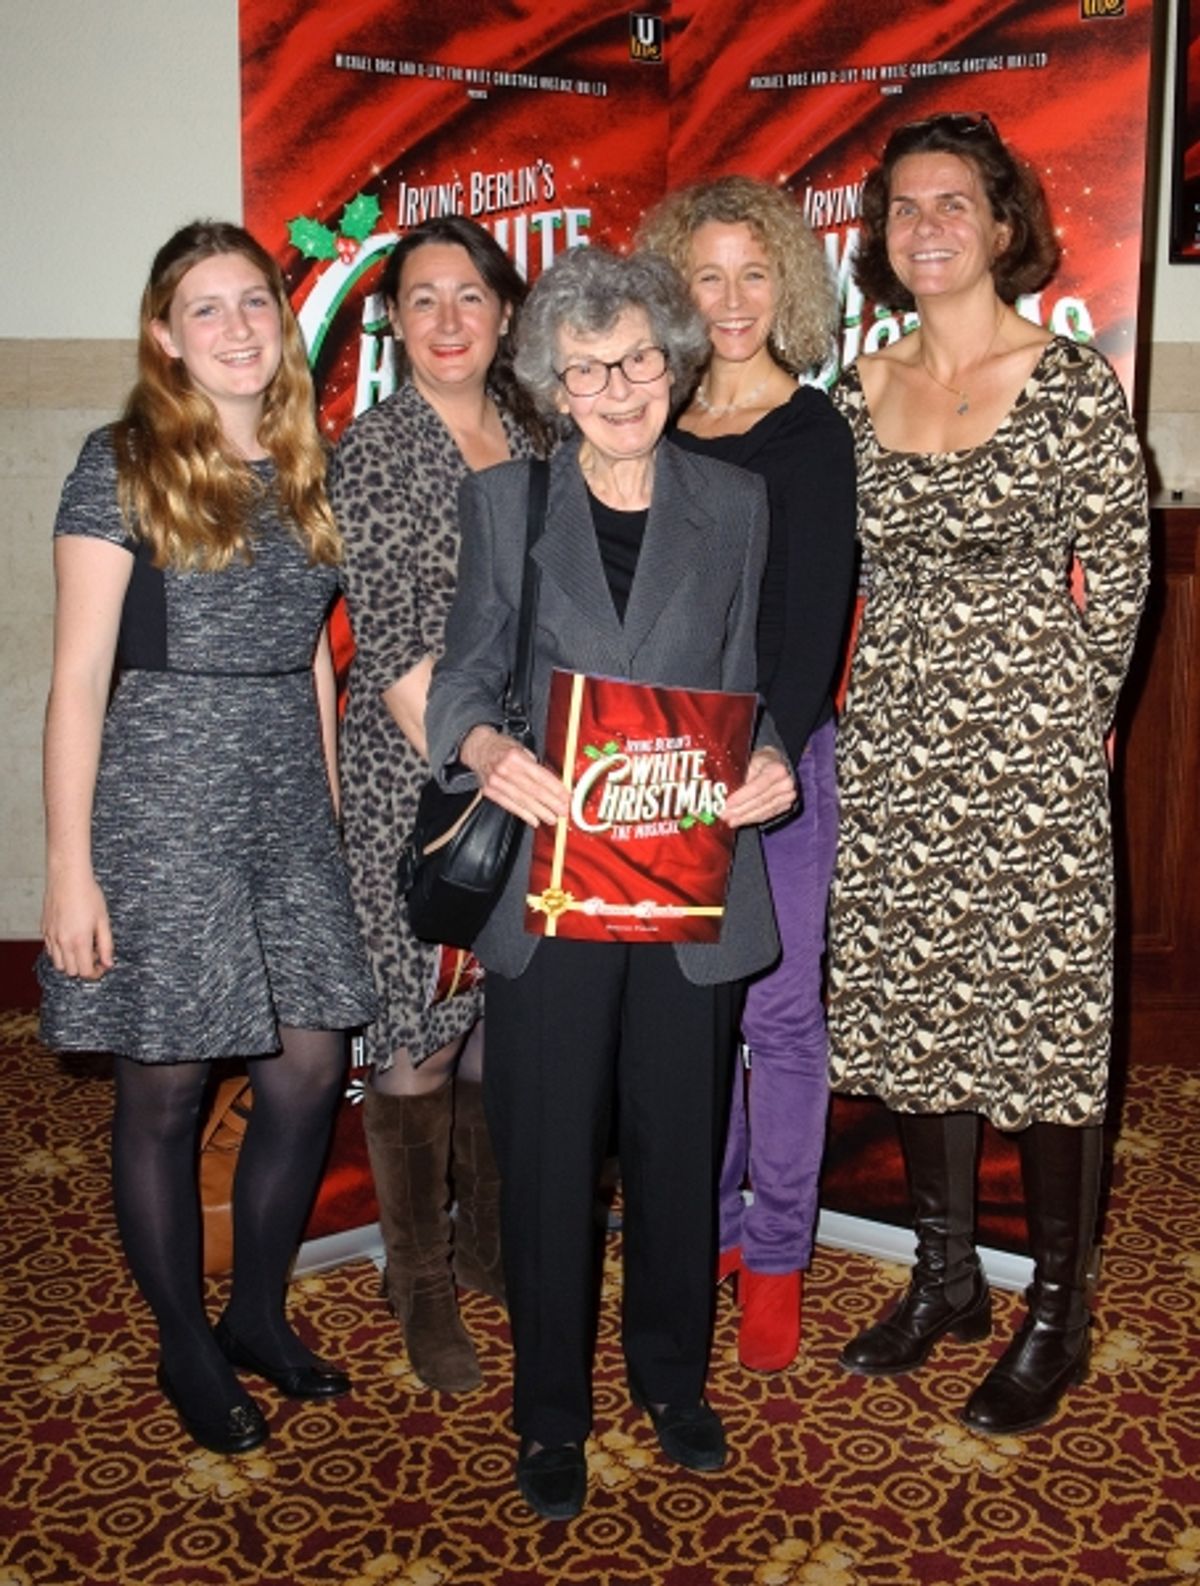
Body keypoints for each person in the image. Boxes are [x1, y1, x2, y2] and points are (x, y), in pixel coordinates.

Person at [425, 245, 797, 1520]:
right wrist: (489, 750)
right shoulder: (507, 507)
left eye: (639, 358)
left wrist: (770, 763)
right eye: (588, 369)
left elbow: (753, 684)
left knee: (679, 1141)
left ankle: (671, 1383)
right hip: (555, 882)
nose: (621, 386)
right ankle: (550, 1411)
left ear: (674, 362)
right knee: (546, 1149)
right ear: (553, 383)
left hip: (687, 880)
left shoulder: (736, 505)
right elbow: (467, 681)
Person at [827, 113, 1150, 1435]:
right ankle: (947, 1274)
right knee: (914, 1008)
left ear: (1003, 223)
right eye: (905, 208)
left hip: (1032, 750)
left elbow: (1121, 564)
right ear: (884, 240)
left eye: (954, 203)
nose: (930, 226)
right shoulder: (855, 395)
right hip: (898, 743)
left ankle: (1056, 1311)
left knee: (1046, 1020)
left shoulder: (1072, 381)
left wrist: (1079, 715)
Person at [38, 221, 377, 1457]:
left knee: (307, 1060)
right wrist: (68, 867)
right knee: (166, 1084)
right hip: (163, 794)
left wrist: (329, 820)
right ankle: (184, 1338)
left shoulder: (306, 461)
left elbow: (312, 669)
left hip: (285, 795)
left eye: (255, 303)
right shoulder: (120, 461)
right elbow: (76, 680)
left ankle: (253, 1312)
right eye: (207, 308)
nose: (238, 327)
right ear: (166, 336)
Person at [639, 175, 857, 1372]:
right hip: (663, 764)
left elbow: (814, 618)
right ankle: (708, 1226)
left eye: (753, 273)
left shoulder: (811, 431)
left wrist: (770, 747)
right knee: (688, 1016)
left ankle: (775, 1254)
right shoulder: (649, 420)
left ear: (789, 286)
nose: (730, 300)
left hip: (775, 766)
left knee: (776, 1016)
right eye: (706, 275)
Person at [330, 216, 549, 1394]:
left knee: (501, 1024)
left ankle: (486, 1248)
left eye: (470, 295)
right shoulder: (374, 450)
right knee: (416, 1037)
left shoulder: (537, 433)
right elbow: (402, 643)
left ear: (505, 312)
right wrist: (486, 766)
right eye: (423, 299)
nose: (450, 319)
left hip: (529, 770)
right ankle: (417, 1279)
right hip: (421, 780)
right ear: (396, 322)